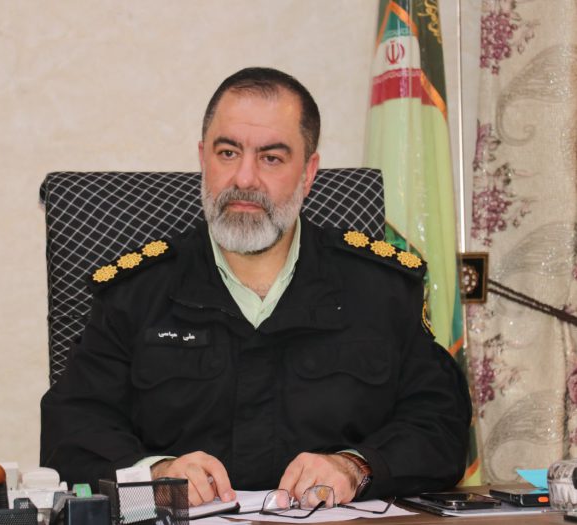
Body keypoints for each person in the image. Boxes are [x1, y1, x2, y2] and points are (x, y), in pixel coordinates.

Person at [40, 67, 471, 507]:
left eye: (271, 158)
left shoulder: (381, 290)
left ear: (308, 172)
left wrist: (357, 467)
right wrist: (155, 475)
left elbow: (441, 425)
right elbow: (71, 430)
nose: (244, 179)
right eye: (228, 153)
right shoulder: (134, 293)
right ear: (203, 158)